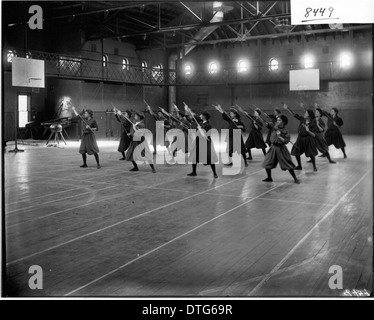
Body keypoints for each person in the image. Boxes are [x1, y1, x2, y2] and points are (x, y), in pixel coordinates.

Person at [262, 114, 299, 184]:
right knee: (267, 162)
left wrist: (279, 136)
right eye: (277, 120)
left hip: (281, 148)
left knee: (288, 164)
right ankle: (269, 177)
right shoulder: (275, 127)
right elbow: (268, 125)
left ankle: (295, 178)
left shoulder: (285, 131)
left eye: (279, 120)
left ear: (283, 122)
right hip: (273, 148)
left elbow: (286, 141)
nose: (277, 121)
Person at [284, 104, 318, 172]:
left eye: (306, 113)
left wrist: (308, 131)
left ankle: (314, 166)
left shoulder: (313, 122)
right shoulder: (303, 119)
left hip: (308, 139)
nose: (304, 114)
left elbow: (314, 135)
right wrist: (287, 108)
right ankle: (299, 166)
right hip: (300, 138)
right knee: (296, 151)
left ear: (309, 115)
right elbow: (294, 115)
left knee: (311, 153)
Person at [187, 111, 218, 178]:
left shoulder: (208, 125)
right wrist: (190, 112)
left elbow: (206, 135)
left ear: (204, 116)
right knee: (194, 156)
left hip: (205, 143)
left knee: (209, 157)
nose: (200, 115)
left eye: (201, 115)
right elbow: (195, 117)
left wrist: (201, 130)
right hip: (198, 141)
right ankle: (194, 172)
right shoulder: (200, 122)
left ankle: (215, 173)